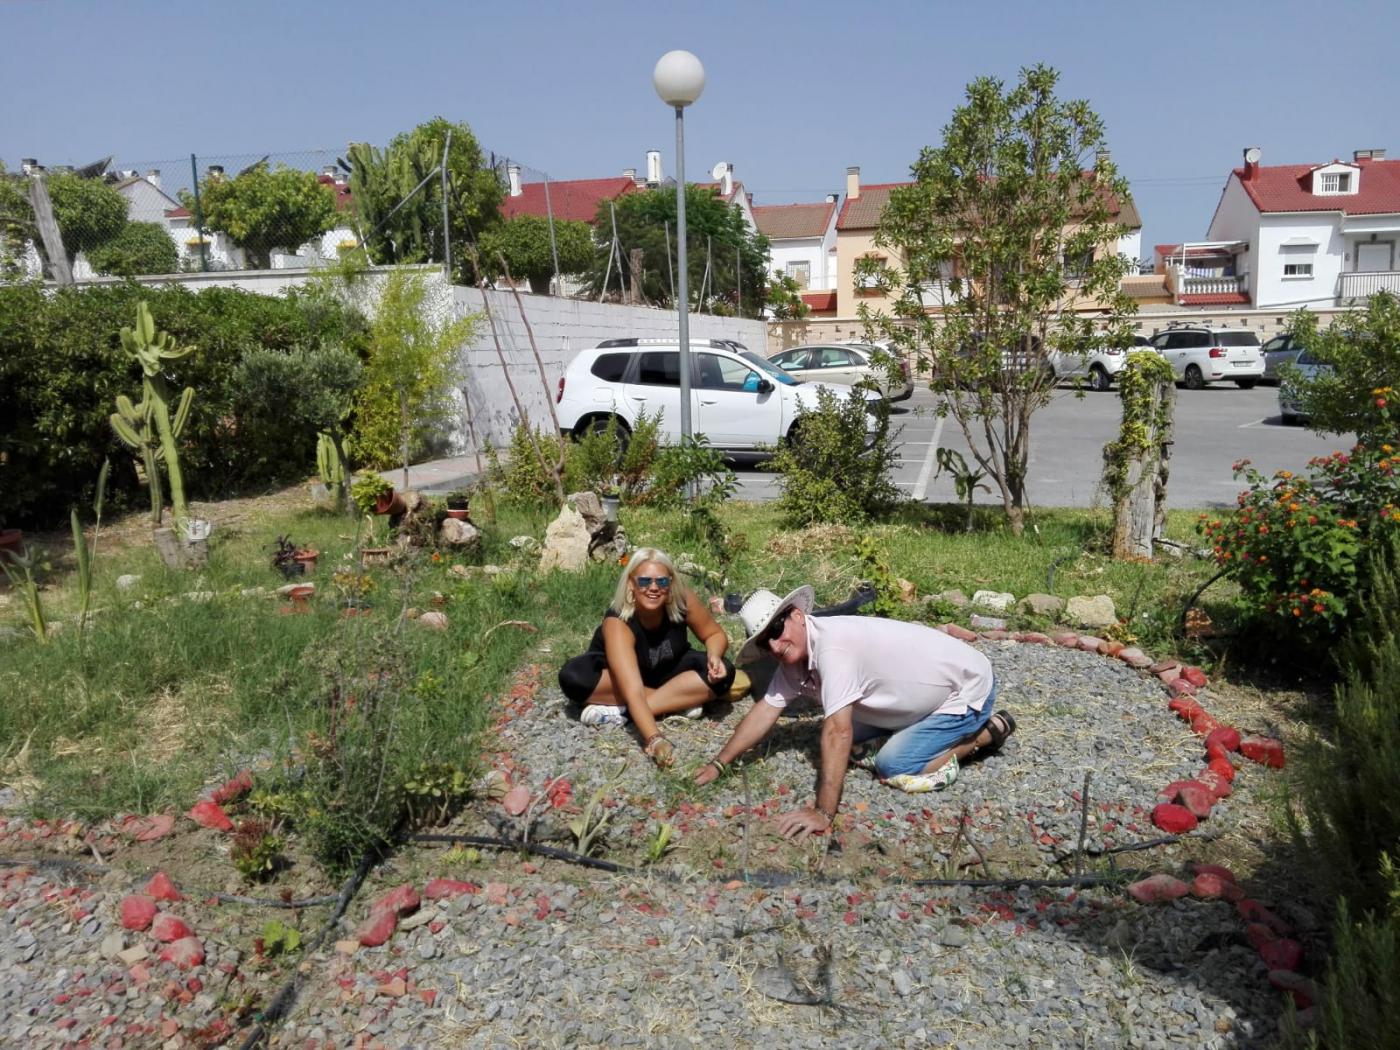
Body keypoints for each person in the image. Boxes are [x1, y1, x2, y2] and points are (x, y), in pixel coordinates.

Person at [692, 586, 1016, 842]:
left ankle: (983, 734)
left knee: (893, 765)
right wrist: (719, 764)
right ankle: (914, 731)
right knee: (838, 744)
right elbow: (765, 710)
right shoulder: (794, 657)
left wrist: (824, 812)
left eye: (777, 629)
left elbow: (838, 732)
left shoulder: (834, 647)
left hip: (966, 690)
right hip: (918, 696)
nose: (776, 646)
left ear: (795, 615)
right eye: (766, 643)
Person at [558, 547, 736, 768]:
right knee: (573, 677)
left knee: (726, 672)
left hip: (666, 671)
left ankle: (623, 713)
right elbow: (632, 690)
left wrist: (715, 656)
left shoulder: (682, 599)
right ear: (631, 583)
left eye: (661, 582)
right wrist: (655, 739)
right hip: (620, 680)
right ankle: (676, 701)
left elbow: (714, 634)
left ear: (670, 584)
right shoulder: (618, 621)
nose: (653, 588)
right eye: (644, 581)